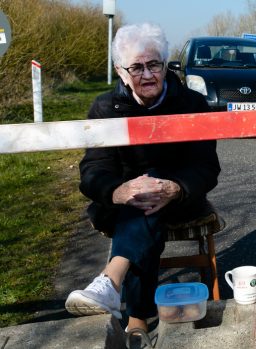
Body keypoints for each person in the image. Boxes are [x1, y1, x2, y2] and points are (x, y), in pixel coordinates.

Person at [64, 22, 221, 338]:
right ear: (120, 72)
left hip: (181, 200)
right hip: (124, 205)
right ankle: (131, 310)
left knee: (149, 191)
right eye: (137, 67)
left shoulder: (192, 104)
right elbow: (92, 171)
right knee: (143, 197)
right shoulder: (105, 108)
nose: (148, 75)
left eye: (154, 65)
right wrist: (119, 191)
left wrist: (174, 188)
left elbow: (206, 167)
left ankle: (126, 303)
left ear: (165, 65)